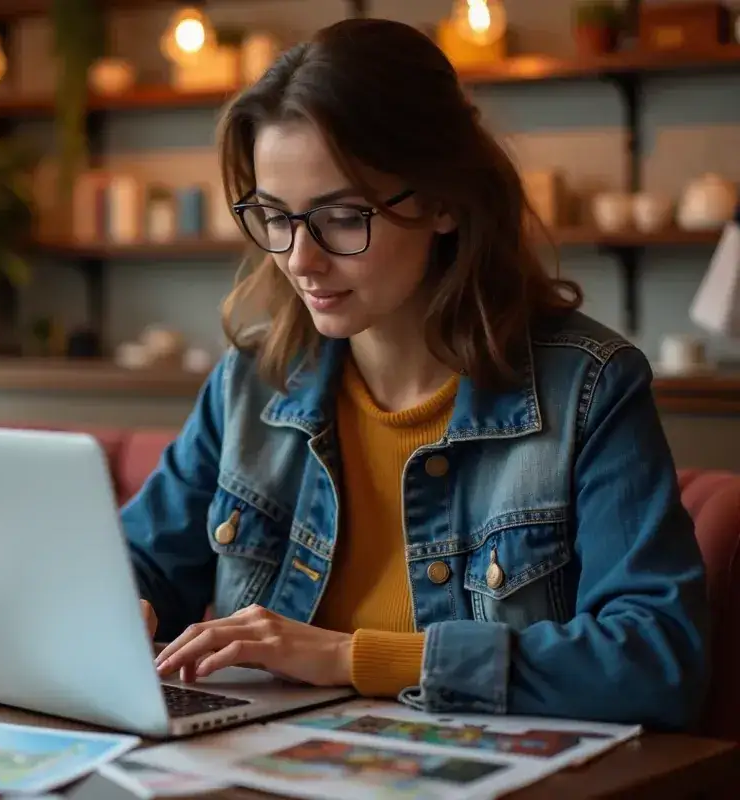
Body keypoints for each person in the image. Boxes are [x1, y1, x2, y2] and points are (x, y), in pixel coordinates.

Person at [119, 17, 709, 730]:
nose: (300, 259)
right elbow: (142, 566)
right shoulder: (251, 383)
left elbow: (655, 660)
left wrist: (353, 658)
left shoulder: (588, 390)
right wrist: (119, 605)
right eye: (273, 216)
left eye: (340, 217)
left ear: (443, 202)